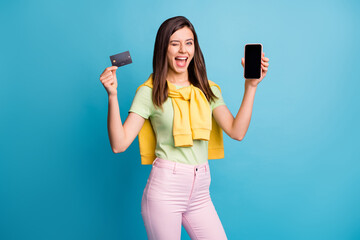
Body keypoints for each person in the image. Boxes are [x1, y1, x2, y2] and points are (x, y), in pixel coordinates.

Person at [99, 16, 269, 240]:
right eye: (174, 43)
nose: (183, 50)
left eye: (189, 42)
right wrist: (112, 96)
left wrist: (251, 86)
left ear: (195, 48)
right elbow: (119, 145)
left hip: (200, 191)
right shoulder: (149, 92)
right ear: (163, 48)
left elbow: (237, 132)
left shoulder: (208, 90)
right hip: (165, 190)